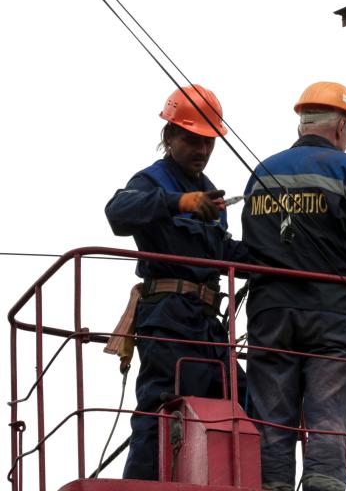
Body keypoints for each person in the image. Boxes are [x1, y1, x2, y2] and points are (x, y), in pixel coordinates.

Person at [241, 81, 346, 491]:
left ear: (302, 123)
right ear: (342, 127)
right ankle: (324, 482)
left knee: (272, 414)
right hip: (331, 314)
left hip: (269, 312)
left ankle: (272, 485)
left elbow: (252, 244)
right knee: (328, 411)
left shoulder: (262, 172)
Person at [104, 84, 247, 480]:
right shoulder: (153, 180)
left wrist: (276, 254)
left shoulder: (207, 194)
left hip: (204, 321)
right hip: (167, 318)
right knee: (161, 405)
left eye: (208, 142)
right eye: (192, 140)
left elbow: (220, 253)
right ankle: (140, 487)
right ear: (169, 137)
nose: (201, 150)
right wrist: (176, 204)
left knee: (241, 395)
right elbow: (117, 211)